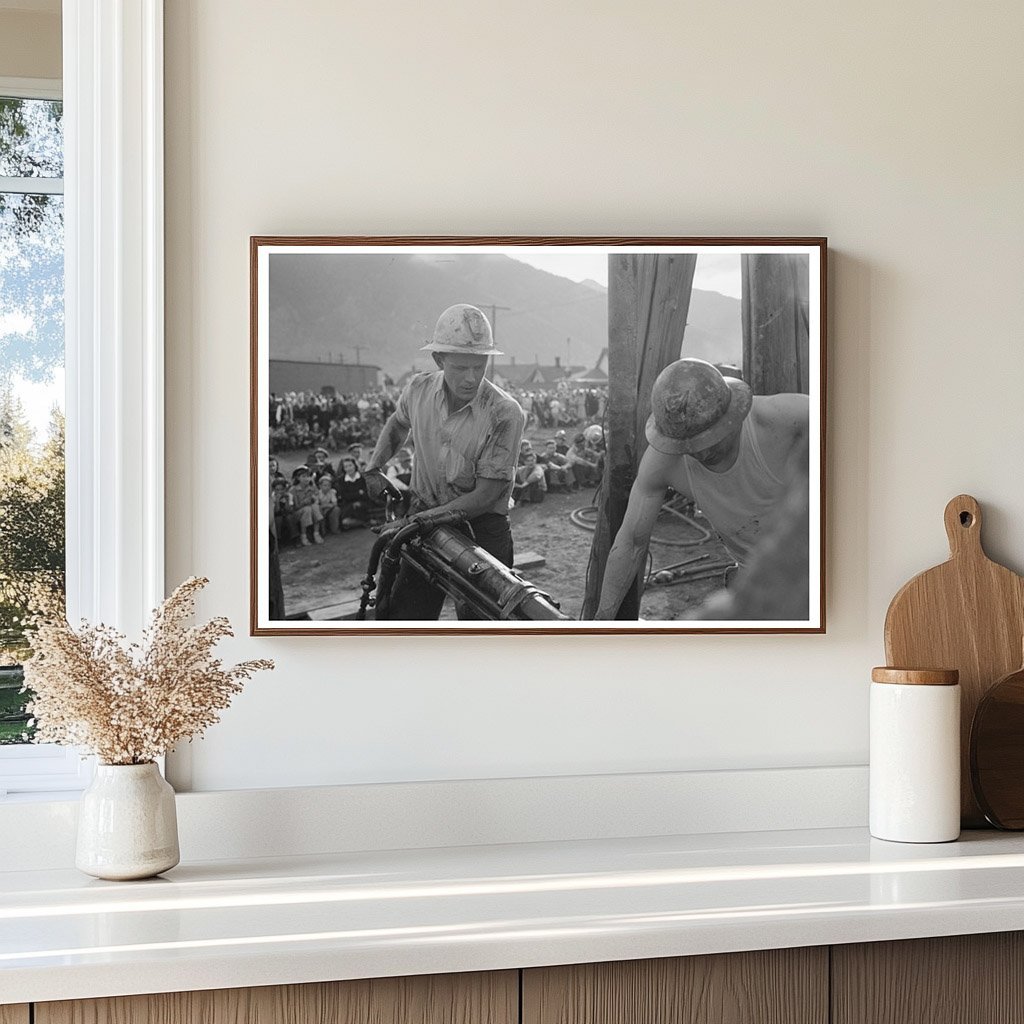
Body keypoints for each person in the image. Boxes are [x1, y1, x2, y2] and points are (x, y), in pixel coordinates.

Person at [595, 358, 809, 620]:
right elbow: (631, 542)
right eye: (691, 445)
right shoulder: (662, 461)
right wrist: (601, 622)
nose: (704, 451)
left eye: (711, 438)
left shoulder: (784, 418)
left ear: (733, 414)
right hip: (755, 579)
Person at [364, 303, 526, 619]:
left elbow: (485, 496)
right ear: (439, 360)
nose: (471, 378)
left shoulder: (504, 413)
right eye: (460, 367)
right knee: (407, 619)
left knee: (484, 629)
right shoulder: (418, 389)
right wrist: (375, 466)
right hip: (424, 516)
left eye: (479, 367)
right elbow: (398, 423)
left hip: (481, 530)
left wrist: (412, 524)